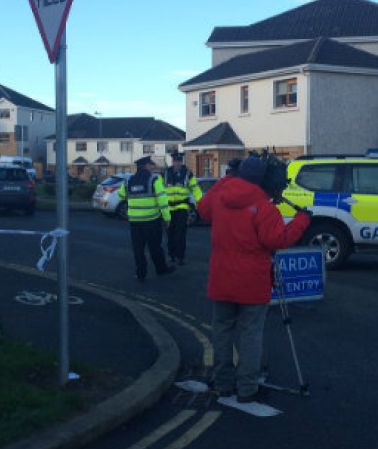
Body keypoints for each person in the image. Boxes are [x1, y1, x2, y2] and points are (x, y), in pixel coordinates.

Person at [197, 156, 311, 404]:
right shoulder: (263, 207)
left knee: (222, 331)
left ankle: (223, 382)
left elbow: (202, 209)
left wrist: (227, 179)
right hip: (252, 280)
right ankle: (247, 388)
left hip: (221, 276)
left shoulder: (220, 196)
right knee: (250, 334)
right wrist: (302, 220)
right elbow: (277, 240)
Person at [118, 156, 175, 282]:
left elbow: (121, 195)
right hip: (151, 220)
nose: (153, 167)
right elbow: (162, 200)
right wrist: (167, 218)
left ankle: (140, 274)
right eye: (151, 165)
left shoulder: (129, 180)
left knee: (138, 249)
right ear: (145, 166)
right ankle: (161, 269)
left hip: (134, 222)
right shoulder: (154, 179)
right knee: (155, 246)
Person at [164, 153, 202, 266]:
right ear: (172, 162)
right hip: (168, 208)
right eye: (175, 161)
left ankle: (180, 257)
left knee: (180, 234)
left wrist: (199, 202)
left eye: (179, 161)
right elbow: (160, 190)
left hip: (182, 208)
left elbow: (195, 189)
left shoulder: (188, 174)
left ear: (182, 162)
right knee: (170, 234)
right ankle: (171, 255)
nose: (177, 163)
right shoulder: (165, 173)